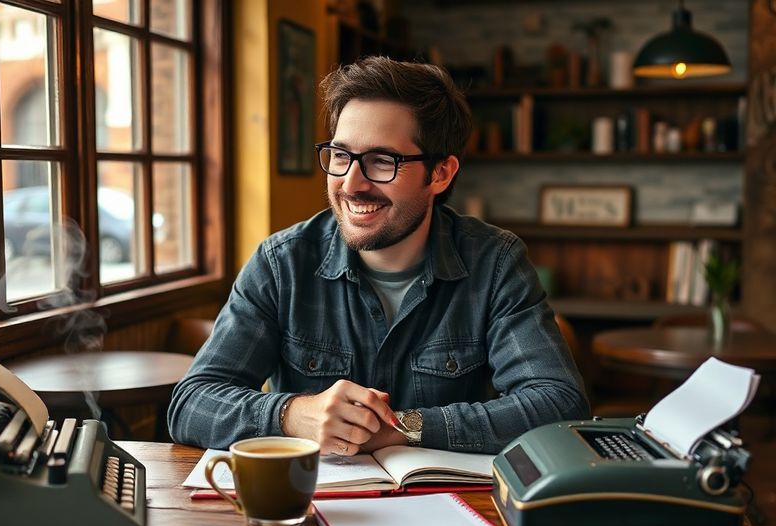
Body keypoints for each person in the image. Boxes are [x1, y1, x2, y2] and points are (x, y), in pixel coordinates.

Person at [168, 56, 588, 455]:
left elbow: (559, 405)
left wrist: (406, 427)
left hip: (444, 511)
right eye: (340, 155)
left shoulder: (494, 263)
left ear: (440, 173)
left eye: (381, 161)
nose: (351, 183)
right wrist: (292, 415)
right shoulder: (282, 264)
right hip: (313, 511)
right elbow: (191, 403)